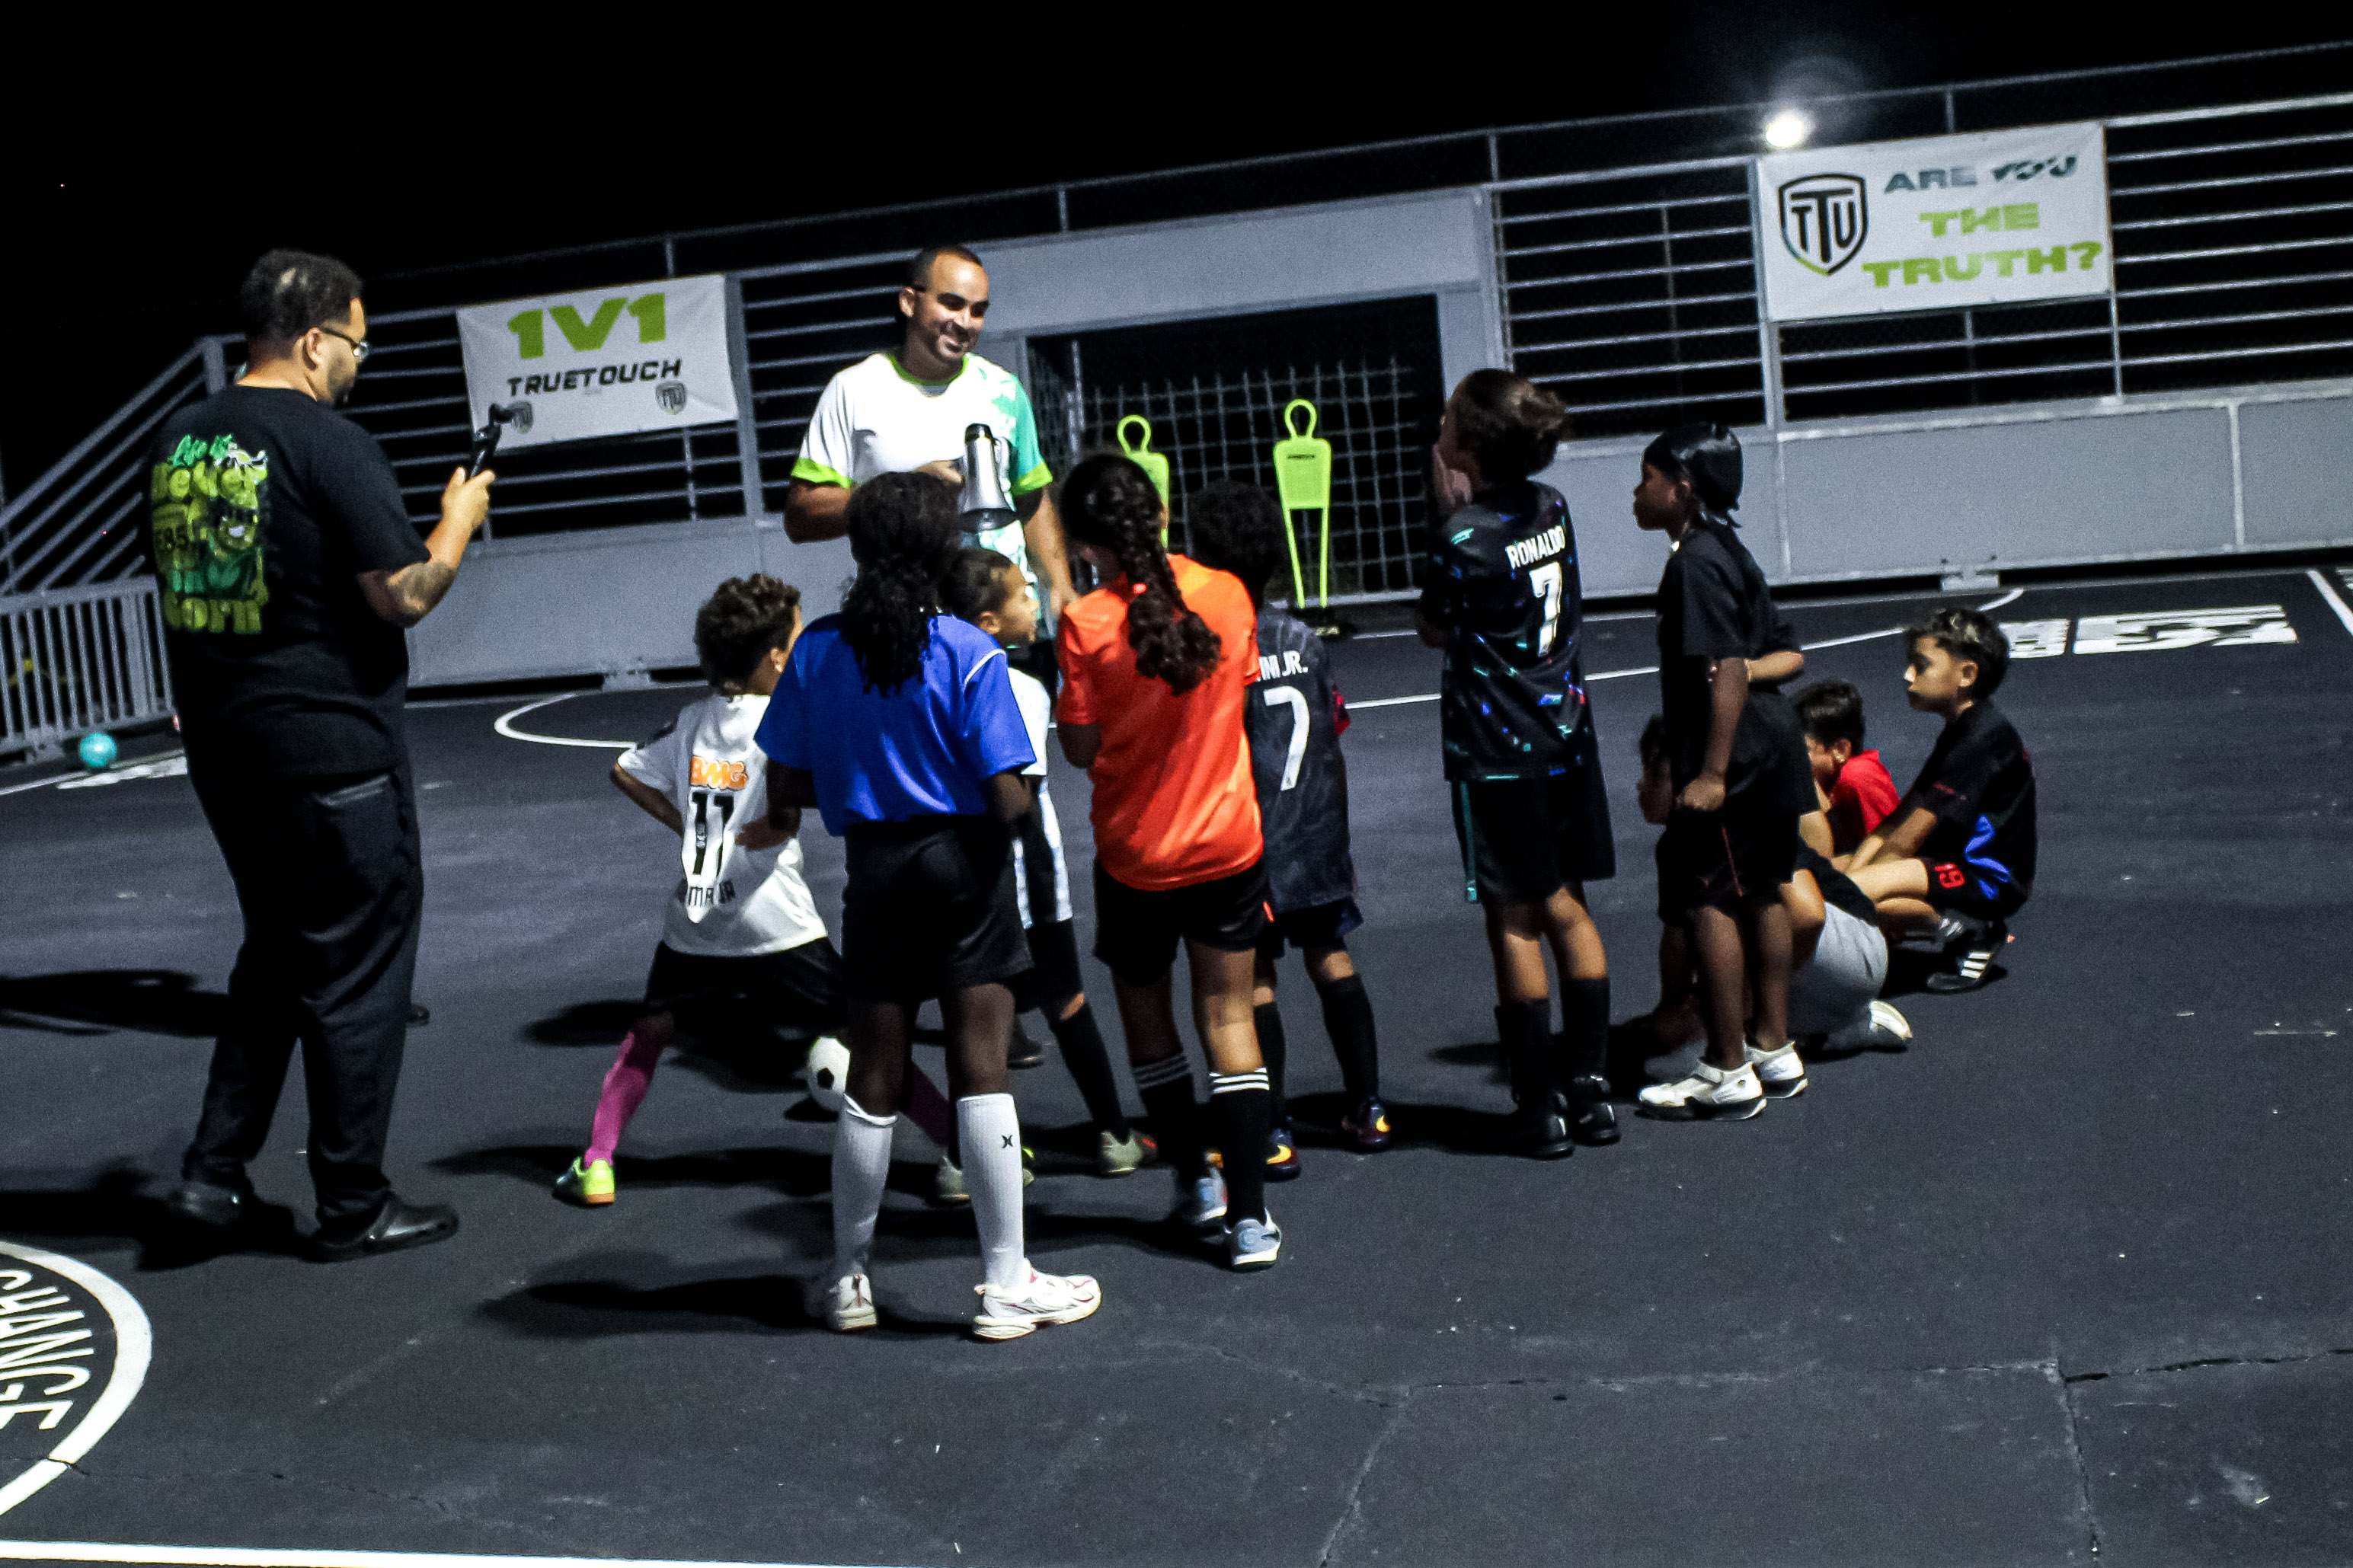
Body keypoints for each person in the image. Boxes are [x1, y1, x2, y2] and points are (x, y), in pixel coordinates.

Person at [150, 251, 491, 1260]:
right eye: (355, 342)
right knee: (357, 973)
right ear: (312, 339)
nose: (359, 360)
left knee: (276, 955)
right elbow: (403, 593)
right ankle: (354, 1200)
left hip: (227, 748)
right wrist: (458, 522)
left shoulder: (178, 439)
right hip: (331, 748)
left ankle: (212, 1178)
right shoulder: (326, 440)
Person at [757, 473, 1099, 1340]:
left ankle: (846, 1280)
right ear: (942, 551)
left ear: (859, 547)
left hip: (872, 870)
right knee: (979, 1064)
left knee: (872, 1072)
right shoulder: (966, 650)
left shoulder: (817, 651)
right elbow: (1008, 796)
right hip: (961, 866)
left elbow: (787, 782)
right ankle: (1004, 1281)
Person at [554, 576, 958, 1206]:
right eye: (796, 636)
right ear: (774, 656)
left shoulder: (689, 722)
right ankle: (961, 1150)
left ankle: (598, 1161)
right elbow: (792, 814)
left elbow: (624, 770)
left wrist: (686, 825)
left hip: (698, 912)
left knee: (649, 1032)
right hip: (777, 923)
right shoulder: (785, 720)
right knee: (874, 1034)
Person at [1055, 454, 1283, 1271]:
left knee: (1150, 1024)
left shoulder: (1083, 623)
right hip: (1228, 846)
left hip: (1136, 858)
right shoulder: (1227, 593)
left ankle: (1194, 1183)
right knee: (1229, 1019)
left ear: (1086, 546)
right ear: (1158, 514)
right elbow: (1240, 696)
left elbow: (1079, 750)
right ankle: (1250, 1218)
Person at [1417, 370, 1616, 1157]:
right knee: (1569, 903)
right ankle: (1591, 1089)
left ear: (1466, 445)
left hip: (1497, 750)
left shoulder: (1463, 537)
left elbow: (1436, 628)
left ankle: (1536, 1105)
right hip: (1566, 732)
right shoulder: (1552, 509)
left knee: (1512, 921)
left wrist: (1449, 511)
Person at [1187, 481, 1389, 1177]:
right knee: (1330, 953)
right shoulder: (1302, 637)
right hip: (1317, 828)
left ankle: (1271, 1127)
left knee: (1257, 977)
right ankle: (1368, 1105)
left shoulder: (1217, 642)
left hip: (1252, 837)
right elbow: (1329, 730)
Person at [938, 548, 1158, 1179]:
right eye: (1022, 594)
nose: (1036, 601)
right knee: (1065, 1000)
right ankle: (1114, 1136)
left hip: (959, 876)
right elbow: (1017, 800)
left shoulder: (930, 677)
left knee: (971, 1016)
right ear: (986, 622)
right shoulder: (1022, 689)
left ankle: (964, 1158)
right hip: (1023, 879)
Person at [1630, 423, 1818, 1123]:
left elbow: (1730, 667)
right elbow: (1778, 653)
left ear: (1679, 488)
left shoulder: (1695, 564)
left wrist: (1709, 773)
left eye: (1646, 478)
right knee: (1763, 892)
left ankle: (1726, 1066)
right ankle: (1773, 1045)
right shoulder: (1730, 550)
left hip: (1733, 756)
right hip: (1774, 748)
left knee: (1706, 896)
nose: (1636, 491)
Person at [785, 243, 1077, 622]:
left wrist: (1060, 585)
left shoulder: (1004, 389)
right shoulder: (854, 389)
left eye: (978, 310)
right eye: (952, 304)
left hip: (1002, 624)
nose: (966, 321)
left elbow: (1031, 498)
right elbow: (801, 516)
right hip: (906, 625)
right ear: (909, 301)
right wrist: (905, 489)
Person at [1632, 717, 1909, 1065]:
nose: (1640, 785)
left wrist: (1734, 1005)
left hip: (1853, 949)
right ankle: (1839, 1029)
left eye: (1652, 771)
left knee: (1730, 976)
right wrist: (1673, 1010)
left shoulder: (1746, 821)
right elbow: (1676, 938)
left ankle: (1741, 1045)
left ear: (1687, 772)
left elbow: (1808, 916)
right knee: (1678, 1018)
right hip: (1814, 968)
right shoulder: (1672, 847)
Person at [1843, 608, 2036, 994]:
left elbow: (1906, 839)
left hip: (1990, 879)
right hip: (1952, 858)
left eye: (1921, 666)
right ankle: (1944, 921)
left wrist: (1851, 891)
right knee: (1834, 880)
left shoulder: (1981, 741)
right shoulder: (1962, 731)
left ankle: (1969, 931)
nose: (1907, 675)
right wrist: (1850, 875)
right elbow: (1901, 816)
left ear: (1966, 675)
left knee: (1848, 896)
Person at [1792, 681, 1899, 856]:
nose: (1790, 758)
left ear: (1840, 750)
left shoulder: (1856, 776)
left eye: (1801, 750)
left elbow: (1886, 853)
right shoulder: (1828, 782)